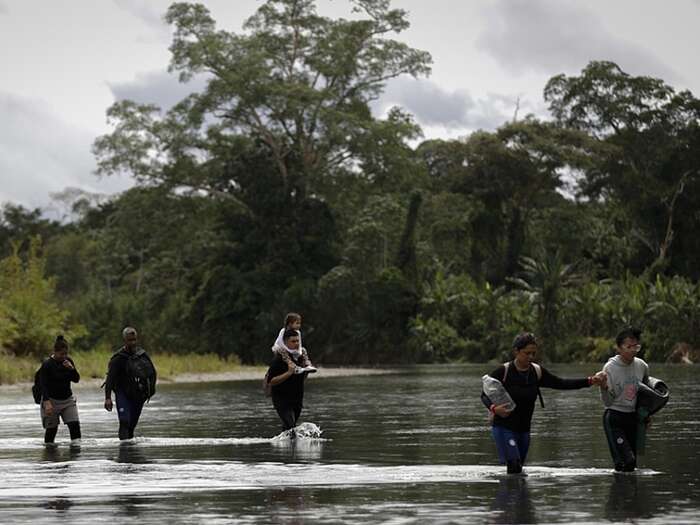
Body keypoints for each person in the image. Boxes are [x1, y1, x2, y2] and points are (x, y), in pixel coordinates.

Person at [481, 332, 605, 474]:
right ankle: (510, 495)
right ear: (516, 351)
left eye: (533, 353)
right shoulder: (504, 371)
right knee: (514, 466)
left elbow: (561, 383)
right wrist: (494, 409)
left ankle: (519, 496)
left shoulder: (537, 371)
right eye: (527, 353)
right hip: (504, 427)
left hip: (524, 429)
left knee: (518, 470)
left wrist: (589, 381)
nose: (531, 357)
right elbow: (484, 394)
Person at [599, 326, 650, 472]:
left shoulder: (642, 366)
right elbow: (607, 402)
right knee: (626, 462)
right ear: (619, 348)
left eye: (636, 346)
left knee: (632, 466)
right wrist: (603, 387)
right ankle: (618, 493)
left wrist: (646, 416)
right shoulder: (609, 368)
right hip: (614, 418)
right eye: (629, 347)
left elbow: (645, 394)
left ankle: (628, 494)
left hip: (633, 418)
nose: (633, 350)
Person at [104, 326, 157, 440]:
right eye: (130, 340)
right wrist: (108, 398)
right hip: (122, 393)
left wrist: (150, 391)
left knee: (132, 426)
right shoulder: (118, 358)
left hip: (138, 394)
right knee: (124, 422)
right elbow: (110, 379)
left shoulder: (142, 355)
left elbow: (152, 373)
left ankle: (130, 454)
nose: (133, 342)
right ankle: (123, 451)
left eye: (134, 340)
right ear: (124, 340)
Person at [37, 335, 81, 445]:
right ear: (55, 352)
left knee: (74, 426)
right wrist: (46, 402)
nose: (64, 356)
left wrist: (72, 369)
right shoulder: (47, 364)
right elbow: (43, 385)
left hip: (67, 400)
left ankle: (76, 456)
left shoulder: (68, 361)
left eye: (66, 354)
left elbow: (76, 379)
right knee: (52, 430)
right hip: (51, 401)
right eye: (62, 354)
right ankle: (50, 456)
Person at [266, 329, 311, 433]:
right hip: (281, 400)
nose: (296, 344)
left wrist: (306, 371)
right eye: (293, 341)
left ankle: (282, 447)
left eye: (298, 341)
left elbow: (301, 378)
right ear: (285, 343)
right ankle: (288, 447)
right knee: (291, 427)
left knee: (289, 429)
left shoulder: (301, 357)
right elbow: (271, 381)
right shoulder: (280, 358)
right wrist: (288, 373)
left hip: (297, 399)